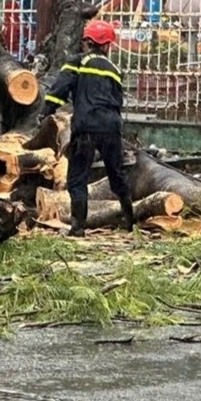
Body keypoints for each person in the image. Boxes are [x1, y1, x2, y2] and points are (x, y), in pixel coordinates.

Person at [40, 19, 134, 237]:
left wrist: (45, 112)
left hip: (86, 126)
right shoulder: (114, 69)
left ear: (87, 42)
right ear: (107, 45)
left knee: (78, 176)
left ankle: (78, 227)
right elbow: (117, 100)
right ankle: (130, 222)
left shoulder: (76, 62)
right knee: (116, 174)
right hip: (111, 126)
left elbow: (58, 90)